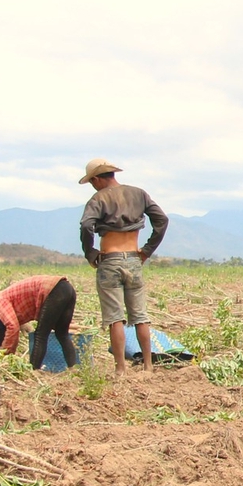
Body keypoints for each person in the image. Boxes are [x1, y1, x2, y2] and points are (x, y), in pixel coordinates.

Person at [79, 158, 168, 373]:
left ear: (98, 179)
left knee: (115, 317)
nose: (93, 185)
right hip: (134, 259)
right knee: (140, 316)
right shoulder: (139, 194)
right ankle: (147, 366)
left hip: (110, 260)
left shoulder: (98, 198)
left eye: (92, 181)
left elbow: (86, 225)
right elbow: (162, 220)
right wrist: (146, 251)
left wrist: (90, 253)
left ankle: (120, 368)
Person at [0, 274, 79, 370]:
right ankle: (73, 368)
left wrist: (5, 354)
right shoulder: (1, 298)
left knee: (40, 335)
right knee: (62, 334)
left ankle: (33, 370)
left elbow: (12, 326)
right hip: (66, 288)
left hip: (53, 290)